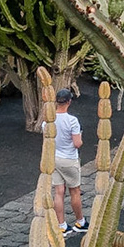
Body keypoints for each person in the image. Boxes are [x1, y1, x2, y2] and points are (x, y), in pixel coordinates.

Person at [49, 87, 87, 235]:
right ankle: (80, 222)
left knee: (58, 192)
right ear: (69, 102)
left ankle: (62, 225)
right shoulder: (72, 121)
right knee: (75, 191)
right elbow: (77, 143)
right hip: (69, 159)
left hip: (53, 159)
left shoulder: (48, 121)